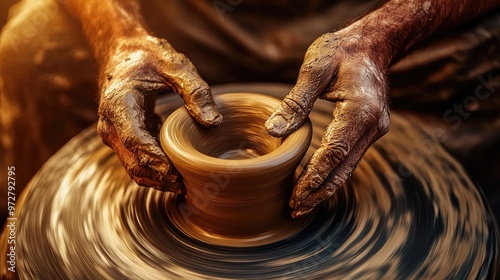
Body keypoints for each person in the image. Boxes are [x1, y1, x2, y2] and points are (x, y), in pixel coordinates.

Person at [1, 0, 499, 220]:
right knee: (30, 46)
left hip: (384, 20)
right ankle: (21, 233)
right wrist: (121, 36)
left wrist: (384, 35)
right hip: (188, 15)